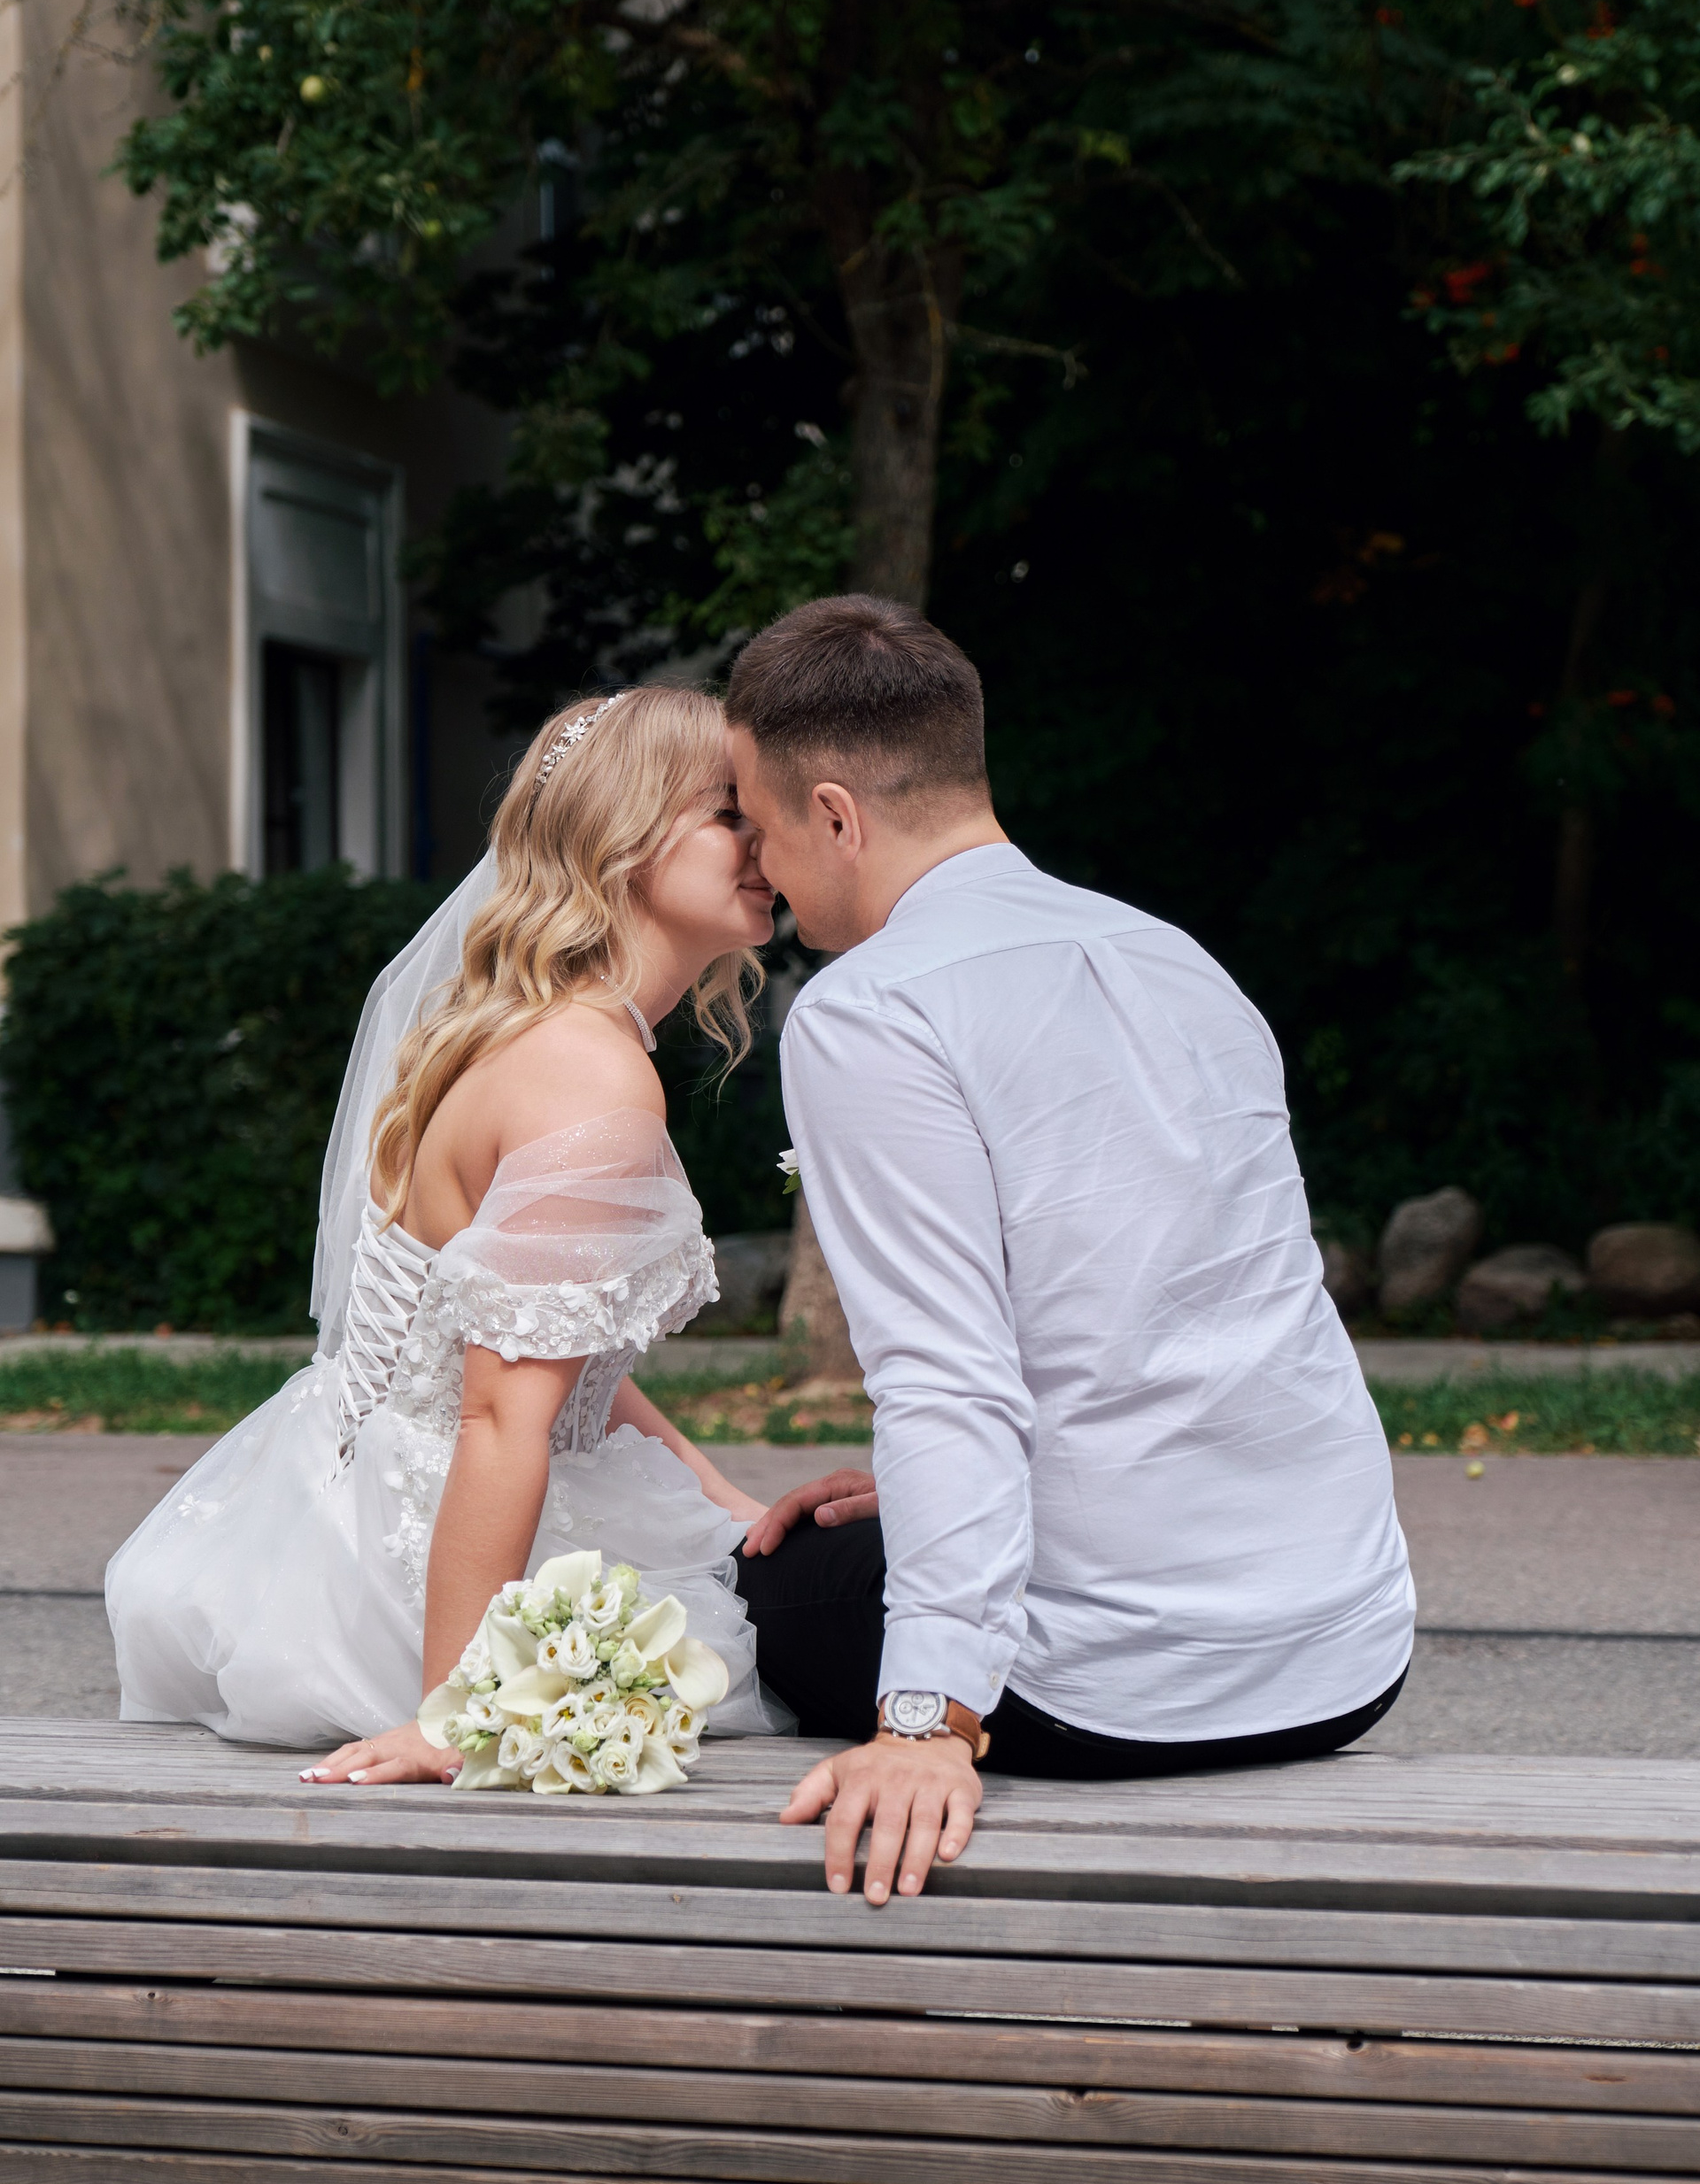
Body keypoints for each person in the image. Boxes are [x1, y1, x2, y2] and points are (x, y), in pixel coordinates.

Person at [728, 595, 1415, 1903]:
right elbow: (1192, 1320)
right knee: (854, 1539)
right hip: (1340, 1653)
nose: (761, 870)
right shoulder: (1180, 960)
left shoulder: (872, 1008)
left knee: (745, 1582)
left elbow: (945, 1377)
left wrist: (925, 1726)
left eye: (759, 828)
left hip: (1112, 1692)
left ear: (835, 816)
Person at [107, 687, 793, 1773]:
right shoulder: (588, 1075)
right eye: (730, 812)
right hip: (426, 1570)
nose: (769, 838)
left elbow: (543, 1348)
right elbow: (499, 1413)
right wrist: (458, 1712)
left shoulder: (528, 1034)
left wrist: (728, 1502)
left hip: (325, 1513)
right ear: (621, 839)